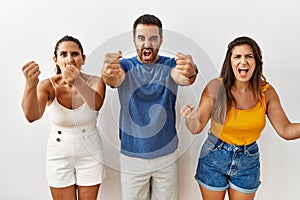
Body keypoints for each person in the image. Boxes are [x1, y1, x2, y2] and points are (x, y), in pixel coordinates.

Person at [181, 36, 300, 200]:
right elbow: (196, 127)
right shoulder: (216, 88)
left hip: (248, 160)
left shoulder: (266, 92)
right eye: (237, 56)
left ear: (256, 62)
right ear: (230, 62)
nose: (243, 61)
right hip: (214, 157)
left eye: (249, 56)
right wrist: (190, 118)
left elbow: (286, 130)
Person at [102, 14, 198, 200]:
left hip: (166, 157)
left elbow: (184, 78)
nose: (147, 44)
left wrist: (191, 71)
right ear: (134, 40)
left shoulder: (170, 65)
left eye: (153, 38)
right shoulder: (125, 66)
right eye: (141, 38)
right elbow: (114, 78)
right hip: (132, 158)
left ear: (161, 40)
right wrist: (108, 74)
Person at [21, 35, 106, 200]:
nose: (69, 59)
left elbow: (96, 104)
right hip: (58, 154)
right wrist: (30, 86)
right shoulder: (47, 85)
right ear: (55, 59)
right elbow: (32, 116)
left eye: (75, 54)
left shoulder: (96, 81)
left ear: (83, 58)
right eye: (63, 54)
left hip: (90, 152)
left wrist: (76, 82)